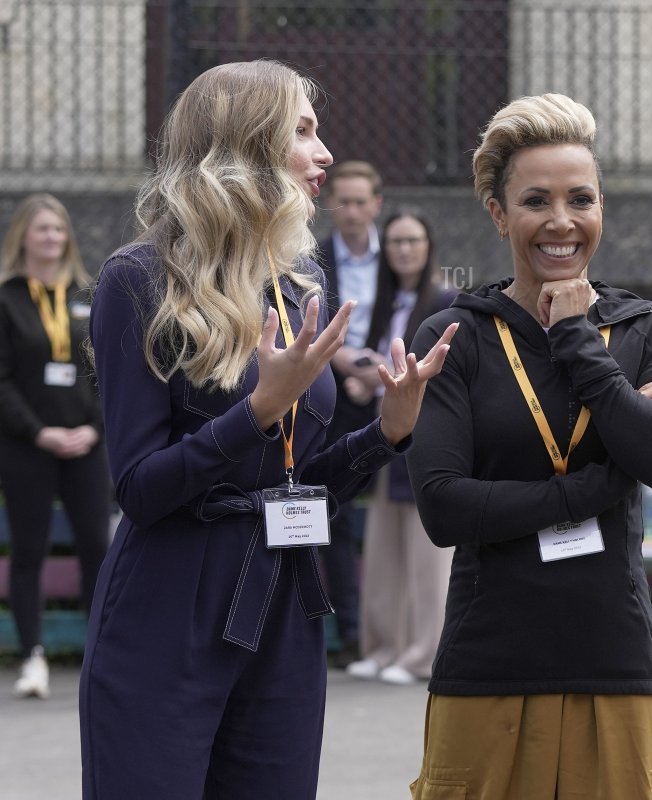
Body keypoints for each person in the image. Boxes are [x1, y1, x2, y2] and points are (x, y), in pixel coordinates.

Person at [79, 60, 456, 799]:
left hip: (283, 606)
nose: (325, 154)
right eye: (304, 132)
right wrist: (255, 414)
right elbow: (140, 489)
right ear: (247, 144)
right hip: (168, 606)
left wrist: (387, 431)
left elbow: (300, 483)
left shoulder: (293, 284)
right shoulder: (138, 279)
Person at [405, 93, 652, 799]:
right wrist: (598, 484)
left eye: (581, 199)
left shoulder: (649, 329)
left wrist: (578, 341)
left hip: (614, 660)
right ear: (499, 213)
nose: (561, 221)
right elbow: (444, 507)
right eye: (536, 201)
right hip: (488, 665)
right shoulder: (454, 336)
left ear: (602, 208)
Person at [0, 193, 111, 700]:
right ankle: (33, 657)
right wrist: (37, 432)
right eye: (42, 229)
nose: (51, 237)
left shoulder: (86, 296)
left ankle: (101, 656)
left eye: (58, 229)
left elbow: (109, 371)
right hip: (28, 445)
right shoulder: (8, 299)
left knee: (96, 546)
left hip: (86, 443)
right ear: (22, 236)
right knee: (30, 549)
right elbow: (2, 380)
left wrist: (95, 428)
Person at [345, 207, 459, 685]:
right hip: (385, 430)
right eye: (395, 241)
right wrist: (363, 382)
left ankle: (421, 655)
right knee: (383, 544)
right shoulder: (385, 302)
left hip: (426, 430)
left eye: (413, 240)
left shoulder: (447, 300)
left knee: (426, 550)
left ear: (428, 246)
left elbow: (448, 370)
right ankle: (382, 647)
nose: (404, 250)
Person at [315, 159, 386, 667]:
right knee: (333, 511)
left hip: (387, 390)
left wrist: (376, 374)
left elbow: (418, 315)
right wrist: (344, 365)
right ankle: (351, 633)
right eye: (343, 202)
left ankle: (393, 631)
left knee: (393, 513)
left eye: (361, 202)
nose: (352, 212)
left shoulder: (399, 256)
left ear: (376, 204)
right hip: (332, 394)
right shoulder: (313, 259)